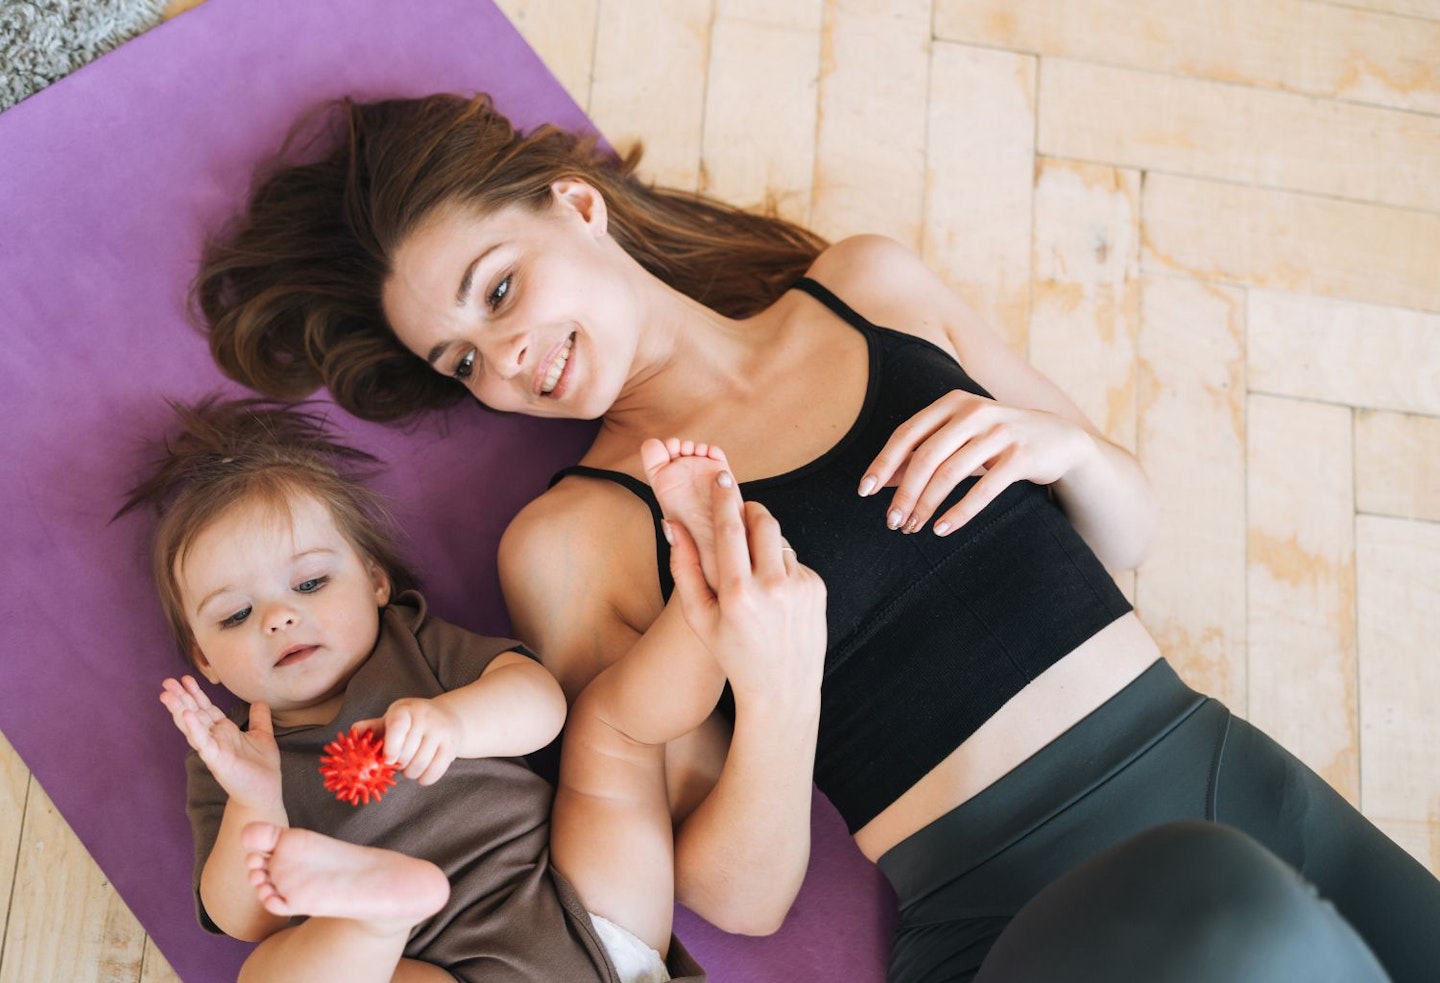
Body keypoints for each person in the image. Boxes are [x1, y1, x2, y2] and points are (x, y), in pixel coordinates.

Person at [191, 93, 1440, 981]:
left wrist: (1069, 451)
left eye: (501, 289)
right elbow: (738, 896)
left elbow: (1120, 545)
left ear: (579, 207)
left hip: (1227, 767)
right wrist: (779, 686)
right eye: (463, 360)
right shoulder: (577, 538)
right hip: (1011, 898)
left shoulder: (871, 289)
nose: (505, 358)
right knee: (1225, 915)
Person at [121, 394, 825, 983]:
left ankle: (707, 600)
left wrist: (456, 722)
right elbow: (246, 918)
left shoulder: (412, 645)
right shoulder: (234, 757)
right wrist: (255, 801)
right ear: (203, 658)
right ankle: (381, 912)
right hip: (445, 967)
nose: (279, 616)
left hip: (581, 904)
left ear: (375, 582)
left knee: (609, 727)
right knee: (271, 972)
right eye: (236, 615)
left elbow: (541, 703)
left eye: (310, 582)